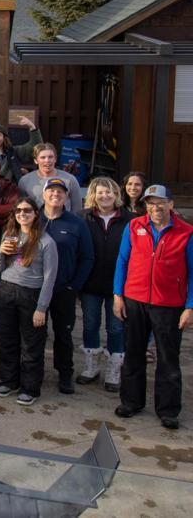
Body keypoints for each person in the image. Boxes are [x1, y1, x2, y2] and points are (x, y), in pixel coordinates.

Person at [113, 184, 191, 430]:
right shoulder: (135, 226)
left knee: (168, 358)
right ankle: (131, 402)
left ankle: (168, 409)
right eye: (150, 203)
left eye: (159, 203)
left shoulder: (186, 232)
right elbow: (122, 261)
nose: (154, 208)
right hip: (134, 300)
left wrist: (189, 307)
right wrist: (118, 295)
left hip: (169, 305)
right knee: (133, 353)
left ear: (170, 204)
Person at [0, 197, 59, 405]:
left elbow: (50, 277)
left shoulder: (46, 242)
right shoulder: (9, 235)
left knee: (31, 343)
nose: (23, 214)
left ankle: (30, 388)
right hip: (6, 290)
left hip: (31, 294)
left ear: (35, 214)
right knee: (7, 339)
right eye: (18, 211)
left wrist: (41, 308)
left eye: (27, 211)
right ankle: (9, 381)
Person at [39, 177, 94, 394]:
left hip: (63, 290)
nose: (55, 194)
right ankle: (34, 372)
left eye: (60, 192)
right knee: (35, 334)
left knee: (63, 335)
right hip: (36, 289)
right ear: (43, 195)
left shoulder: (77, 223)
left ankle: (64, 375)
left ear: (67, 196)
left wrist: (74, 287)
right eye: (51, 191)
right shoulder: (32, 218)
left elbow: (87, 257)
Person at [80, 176, 130, 391]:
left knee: (116, 328)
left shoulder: (130, 219)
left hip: (118, 284)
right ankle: (91, 366)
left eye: (109, 192)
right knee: (90, 324)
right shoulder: (83, 218)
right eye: (100, 192)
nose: (105, 196)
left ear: (116, 195)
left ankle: (114, 370)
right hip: (91, 282)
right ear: (93, 194)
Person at [21, 143, 85, 212]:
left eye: (50, 157)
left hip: (64, 221)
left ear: (55, 159)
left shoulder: (70, 180)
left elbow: (77, 209)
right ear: (36, 160)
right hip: (37, 221)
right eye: (43, 157)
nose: (47, 160)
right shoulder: (25, 181)